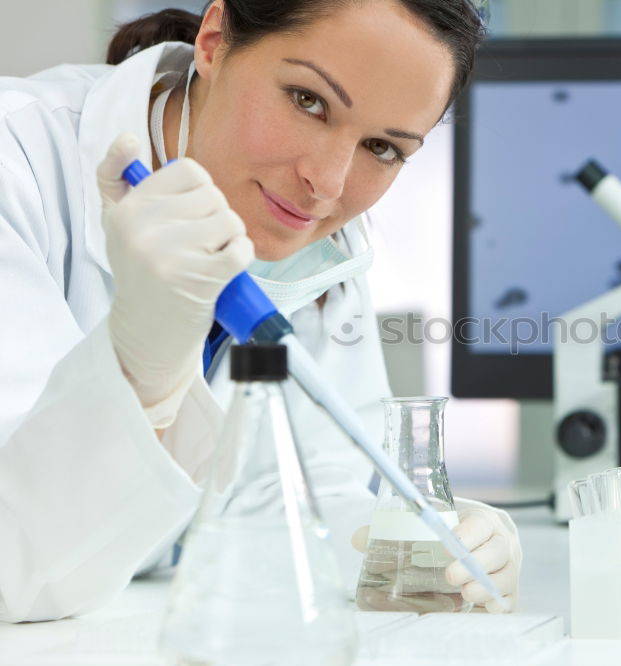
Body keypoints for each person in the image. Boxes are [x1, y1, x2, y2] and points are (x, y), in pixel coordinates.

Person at [0, 0, 521, 623]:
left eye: (382, 147)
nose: (326, 183)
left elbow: (308, 493)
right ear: (216, 40)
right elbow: (17, 566)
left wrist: (421, 541)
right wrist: (140, 367)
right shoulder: (18, 164)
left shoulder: (319, 249)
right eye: (308, 100)